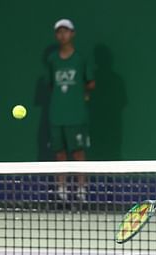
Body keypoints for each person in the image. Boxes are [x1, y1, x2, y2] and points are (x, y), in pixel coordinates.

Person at [48, 18, 95, 201]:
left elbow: (90, 83)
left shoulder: (80, 59)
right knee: (59, 154)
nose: (62, 34)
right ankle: (61, 193)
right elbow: (52, 85)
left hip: (77, 116)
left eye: (66, 31)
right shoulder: (52, 60)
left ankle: (82, 192)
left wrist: (79, 94)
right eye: (59, 31)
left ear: (72, 34)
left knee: (78, 153)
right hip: (56, 116)